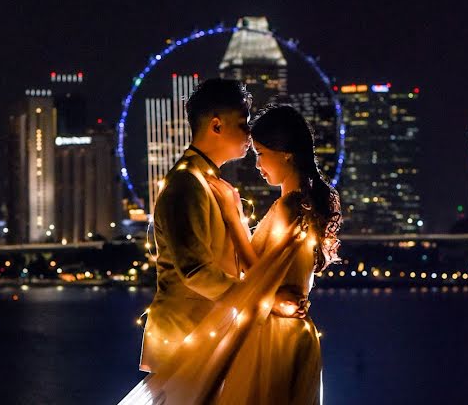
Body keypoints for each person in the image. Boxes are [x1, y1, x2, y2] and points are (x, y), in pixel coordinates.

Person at [120, 103, 341, 404]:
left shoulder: (291, 206)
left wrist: (232, 217)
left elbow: (258, 272)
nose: (258, 165)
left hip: (278, 335)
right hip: (289, 332)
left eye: (262, 154)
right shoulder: (299, 204)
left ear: (286, 152)